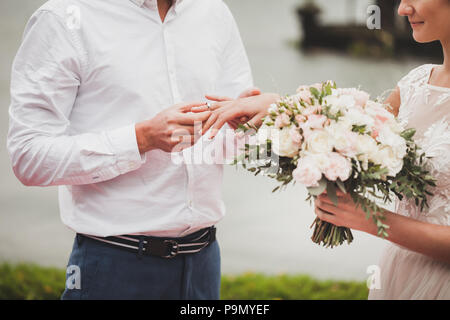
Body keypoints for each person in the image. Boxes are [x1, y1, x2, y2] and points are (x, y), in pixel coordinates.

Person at [194, 0, 450, 299]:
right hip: (401, 273)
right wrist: (278, 114)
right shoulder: (415, 84)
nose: (402, 10)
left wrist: (372, 219)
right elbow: (349, 134)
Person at [7, 0, 259, 300]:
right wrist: (141, 139)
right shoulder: (63, 17)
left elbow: (233, 145)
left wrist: (259, 124)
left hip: (204, 262)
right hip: (114, 266)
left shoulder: (214, 11)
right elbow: (28, 157)